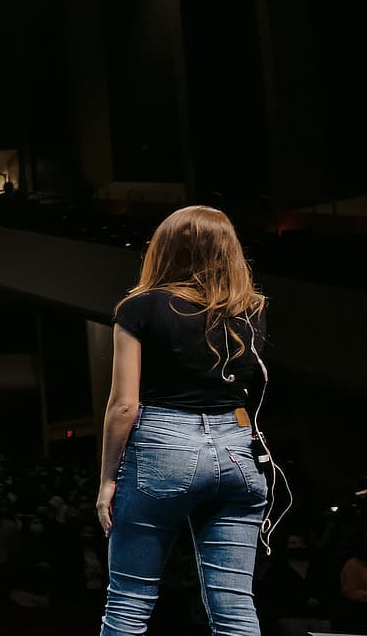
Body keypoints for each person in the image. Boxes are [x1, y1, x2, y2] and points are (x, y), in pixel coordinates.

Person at [97, 205, 270, 636]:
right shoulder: (250, 310)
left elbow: (124, 405)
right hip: (238, 450)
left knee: (128, 603)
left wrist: (106, 480)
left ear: (164, 249)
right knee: (235, 611)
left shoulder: (139, 308)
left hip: (163, 447)